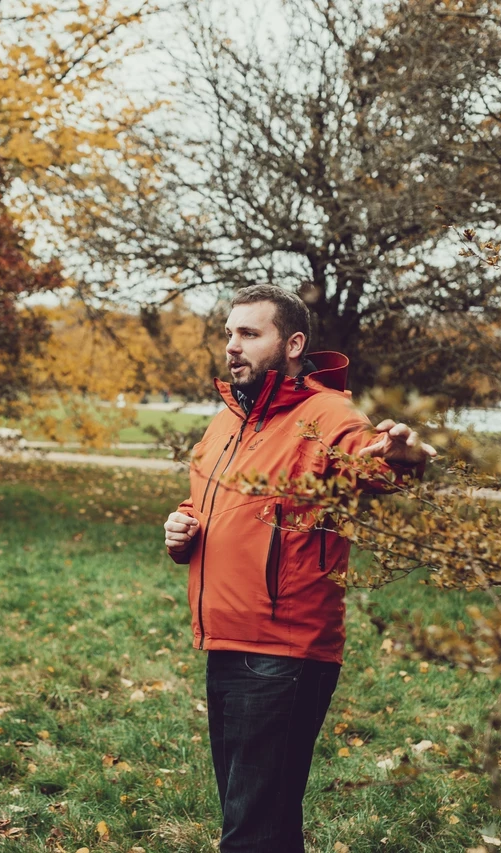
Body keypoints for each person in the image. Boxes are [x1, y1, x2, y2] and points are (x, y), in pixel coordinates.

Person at [162, 285, 436, 853]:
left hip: (284, 651)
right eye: (230, 333)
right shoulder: (226, 421)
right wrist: (181, 529)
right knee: (262, 823)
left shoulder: (326, 415)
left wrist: (402, 460)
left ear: (292, 343)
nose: (232, 346)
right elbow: (207, 503)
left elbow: (372, 468)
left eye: (249, 334)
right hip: (226, 640)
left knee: (251, 831)